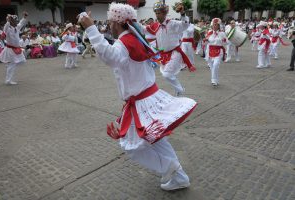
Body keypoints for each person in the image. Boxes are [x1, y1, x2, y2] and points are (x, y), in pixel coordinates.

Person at [78, 3, 197, 191]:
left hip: (142, 103)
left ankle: (172, 168)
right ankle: (179, 177)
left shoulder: (125, 43)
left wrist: (91, 28)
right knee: (157, 140)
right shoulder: (136, 38)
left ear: (117, 23)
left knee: (131, 146)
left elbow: (108, 56)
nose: (109, 26)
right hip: (148, 98)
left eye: (110, 22)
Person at [141, 1, 196, 96]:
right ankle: (179, 89)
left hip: (175, 52)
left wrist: (182, 13)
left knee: (167, 74)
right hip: (164, 54)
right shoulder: (155, 26)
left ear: (164, 13)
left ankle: (180, 90)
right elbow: (143, 29)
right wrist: (131, 22)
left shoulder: (172, 23)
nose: (157, 15)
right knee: (168, 74)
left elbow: (185, 24)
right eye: (156, 13)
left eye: (159, 13)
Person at [0, 12, 28, 85]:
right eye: (15, 21)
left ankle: (9, 66)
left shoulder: (17, 27)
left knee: (21, 61)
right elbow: (5, 27)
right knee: (13, 64)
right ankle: (8, 80)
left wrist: (24, 17)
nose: (16, 22)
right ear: (11, 21)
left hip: (17, 49)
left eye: (16, 21)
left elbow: (21, 23)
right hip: (11, 49)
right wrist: (8, 20)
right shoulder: (8, 29)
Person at [205, 18, 227, 86]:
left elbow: (227, 42)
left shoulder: (222, 33)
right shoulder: (209, 33)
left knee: (215, 65)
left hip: (218, 51)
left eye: (216, 25)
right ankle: (215, 79)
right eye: (213, 25)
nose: (214, 26)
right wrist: (205, 40)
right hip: (210, 51)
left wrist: (224, 40)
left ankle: (213, 80)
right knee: (212, 67)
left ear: (218, 26)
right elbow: (206, 42)